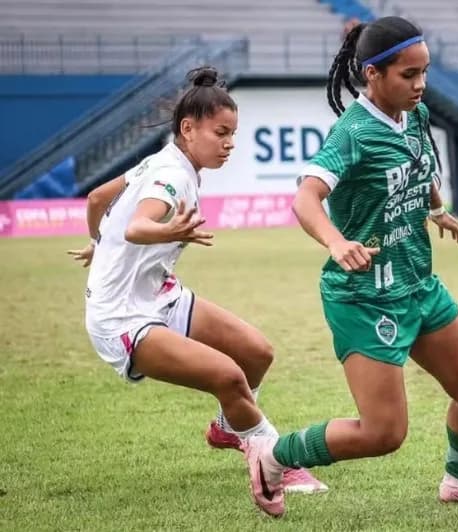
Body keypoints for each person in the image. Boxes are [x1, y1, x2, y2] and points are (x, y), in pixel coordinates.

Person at [242, 16, 458, 518]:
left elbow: (419, 166)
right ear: (372, 74)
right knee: (383, 434)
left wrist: (436, 209)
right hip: (363, 296)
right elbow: (305, 198)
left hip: (419, 285)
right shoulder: (352, 134)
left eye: (424, 72)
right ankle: (273, 456)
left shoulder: (415, 114)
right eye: (408, 74)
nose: (420, 84)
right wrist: (336, 242)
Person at [66, 66, 326, 513]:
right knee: (228, 376)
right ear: (188, 129)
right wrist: (164, 231)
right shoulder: (172, 175)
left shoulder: (165, 161)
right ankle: (274, 460)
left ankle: (231, 428)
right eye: (221, 132)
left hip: (159, 295)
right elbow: (137, 226)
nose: (229, 143)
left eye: (233, 134)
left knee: (256, 353)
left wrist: (97, 243)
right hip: (121, 317)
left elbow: (95, 199)